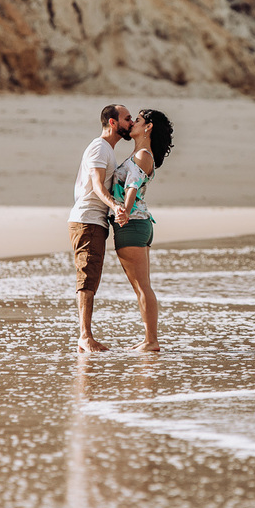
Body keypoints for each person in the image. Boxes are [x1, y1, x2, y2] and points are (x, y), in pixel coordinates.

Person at [68, 104, 133, 353]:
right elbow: (96, 184)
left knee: (91, 277)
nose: (131, 123)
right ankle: (85, 337)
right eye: (127, 119)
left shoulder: (107, 149)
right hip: (87, 220)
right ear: (113, 123)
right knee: (87, 277)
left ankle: (86, 335)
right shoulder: (99, 147)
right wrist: (115, 206)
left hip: (94, 221)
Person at [110, 109, 174, 353]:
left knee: (142, 287)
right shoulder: (141, 153)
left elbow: (132, 184)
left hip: (133, 224)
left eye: (137, 120)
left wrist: (124, 210)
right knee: (142, 286)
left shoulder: (142, 155)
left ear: (148, 127)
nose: (132, 124)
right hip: (140, 223)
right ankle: (149, 339)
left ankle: (151, 341)